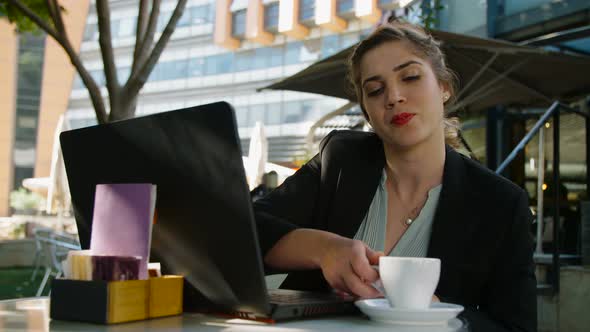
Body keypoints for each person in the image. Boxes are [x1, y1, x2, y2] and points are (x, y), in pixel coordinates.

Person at [253, 20, 536, 332]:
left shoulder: (500, 203)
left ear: (443, 87)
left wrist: (444, 315)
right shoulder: (341, 161)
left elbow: (516, 325)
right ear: (367, 112)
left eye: (410, 76)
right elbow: (246, 226)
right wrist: (323, 249)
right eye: (375, 90)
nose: (394, 96)